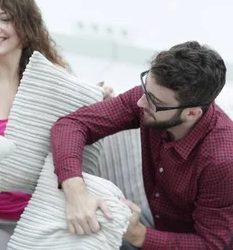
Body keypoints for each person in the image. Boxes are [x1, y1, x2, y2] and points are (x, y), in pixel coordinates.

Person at [0, 0, 113, 250]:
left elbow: (76, 137)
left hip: (49, 214)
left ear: (26, 22)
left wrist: (98, 102)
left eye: (5, 18)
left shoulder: (54, 76)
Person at [50, 41, 233, 249]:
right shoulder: (151, 100)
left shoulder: (223, 160)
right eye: (145, 88)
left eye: (154, 101)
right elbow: (72, 124)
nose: (140, 103)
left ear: (191, 113)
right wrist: (76, 191)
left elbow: (210, 244)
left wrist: (138, 235)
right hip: (156, 221)